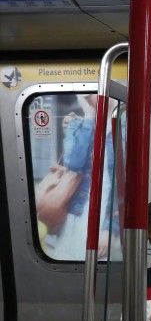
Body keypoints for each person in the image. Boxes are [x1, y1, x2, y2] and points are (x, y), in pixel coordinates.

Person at [43, 94, 120, 261]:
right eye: (85, 97)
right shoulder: (78, 124)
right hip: (75, 212)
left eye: (91, 95)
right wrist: (89, 118)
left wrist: (111, 228)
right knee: (66, 261)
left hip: (106, 213)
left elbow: (125, 184)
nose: (90, 100)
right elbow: (74, 164)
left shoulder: (123, 126)